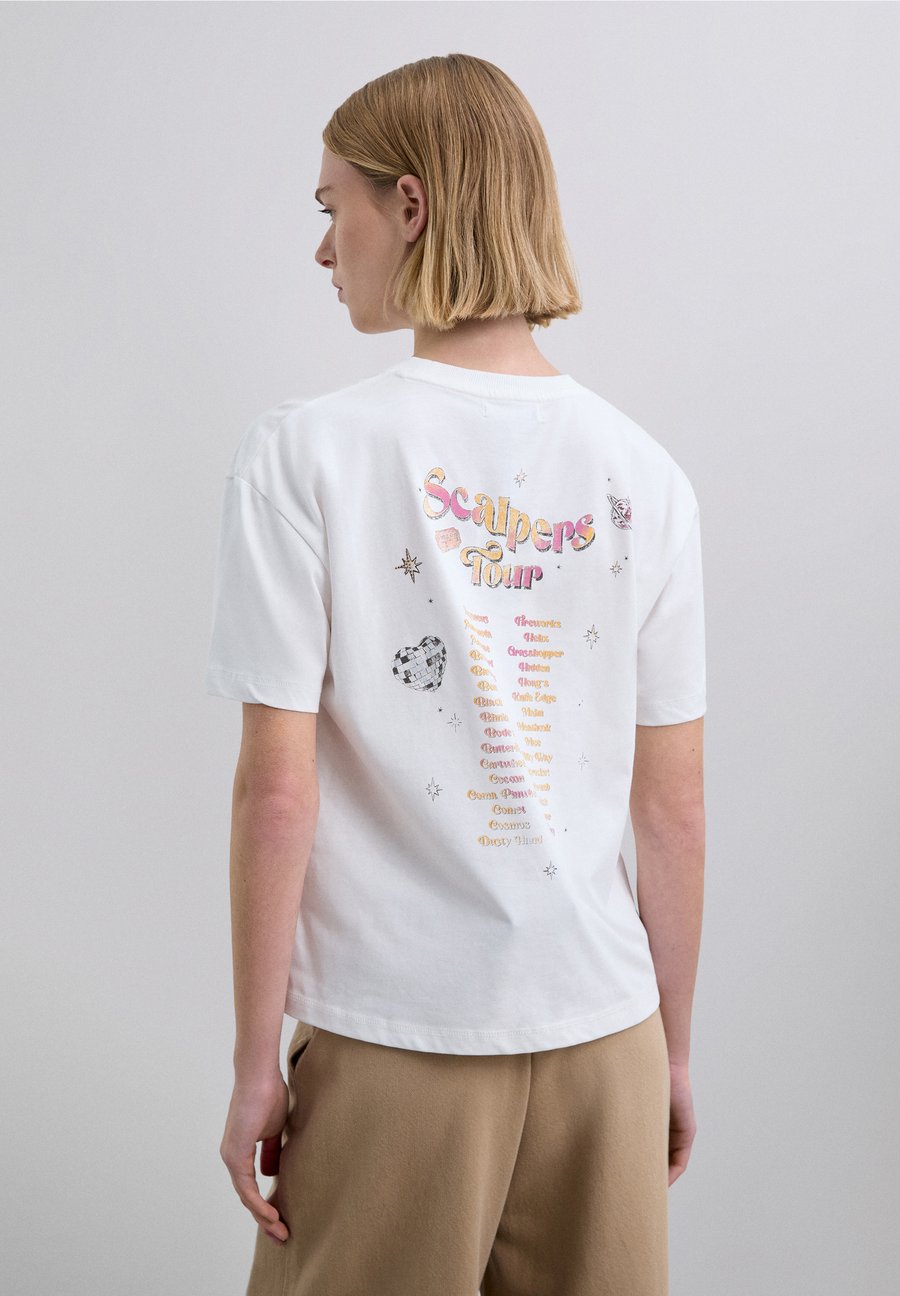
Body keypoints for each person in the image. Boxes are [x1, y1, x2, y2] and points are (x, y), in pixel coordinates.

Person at [205, 52, 706, 1296]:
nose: (325, 249)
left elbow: (278, 793)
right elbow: (673, 808)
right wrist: (672, 1052)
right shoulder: (646, 476)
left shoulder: (307, 456)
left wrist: (256, 1061)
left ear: (412, 205)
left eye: (335, 207)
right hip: (606, 1037)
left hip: (397, 1041)